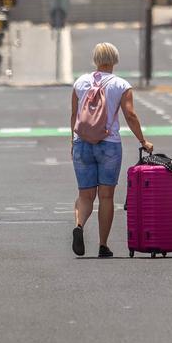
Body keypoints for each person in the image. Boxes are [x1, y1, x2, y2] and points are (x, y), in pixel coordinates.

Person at [70, 42, 154, 258]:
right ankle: (103, 245)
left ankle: (79, 226)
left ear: (95, 59)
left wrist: (74, 141)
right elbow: (130, 115)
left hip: (82, 143)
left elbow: (74, 116)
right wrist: (143, 140)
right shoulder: (120, 85)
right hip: (109, 144)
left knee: (85, 195)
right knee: (106, 197)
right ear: (114, 60)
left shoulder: (80, 83)